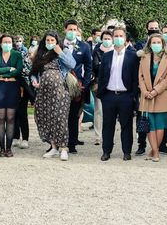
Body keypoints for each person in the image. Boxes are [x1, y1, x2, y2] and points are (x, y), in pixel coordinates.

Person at [31, 31, 76, 161]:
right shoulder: (40, 54)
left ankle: (63, 147)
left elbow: (72, 64)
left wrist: (60, 53)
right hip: (43, 92)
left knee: (60, 117)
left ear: (57, 41)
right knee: (46, 117)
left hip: (60, 91)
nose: (50, 43)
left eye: (52, 40)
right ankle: (53, 147)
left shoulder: (64, 51)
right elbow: (34, 72)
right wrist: (35, 80)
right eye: (48, 40)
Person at [97, 27, 138, 161]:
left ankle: (127, 152)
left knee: (126, 125)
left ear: (125, 38)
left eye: (121, 35)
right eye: (116, 36)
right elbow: (102, 75)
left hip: (126, 96)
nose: (118, 38)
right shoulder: (107, 55)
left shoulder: (132, 56)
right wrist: (102, 94)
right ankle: (106, 151)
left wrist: (133, 95)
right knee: (108, 125)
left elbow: (135, 78)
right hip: (109, 95)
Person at [138, 33, 167, 162]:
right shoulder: (144, 57)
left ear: (163, 44)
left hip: (162, 95)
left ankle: (154, 150)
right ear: (149, 44)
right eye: (153, 42)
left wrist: (155, 91)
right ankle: (155, 151)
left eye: (158, 42)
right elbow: (141, 77)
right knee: (150, 126)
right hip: (147, 95)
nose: (156, 45)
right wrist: (145, 91)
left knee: (160, 125)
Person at [0, 34, 22, 157]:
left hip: (12, 89)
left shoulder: (17, 55)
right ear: (1, 43)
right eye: (5, 42)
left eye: (9, 42)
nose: (7, 44)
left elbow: (18, 70)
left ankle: (8, 148)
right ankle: (2, 149)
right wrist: (9, 70)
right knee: (0, 118)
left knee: (10, 118)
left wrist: (2, 75)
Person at [64, 19, 92, 154]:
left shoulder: (84, 46)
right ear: (65, 30)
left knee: (73, 115)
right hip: (61, 85)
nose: (72, 32)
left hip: (77, 85)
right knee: (60, 114)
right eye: (70, 29)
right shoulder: (58, 44)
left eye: (74, 29)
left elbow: (88, 66)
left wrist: (85, 84)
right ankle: (57, 142)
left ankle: (72, 143)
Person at [91, 30, 114, 146]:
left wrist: (103, 65)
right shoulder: (97, 50)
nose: (106, 40)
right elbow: (95, 66)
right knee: (98, 110)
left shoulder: (116, 50)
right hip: (99, 84)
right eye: (104, 38)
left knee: (110, 111)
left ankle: (108, 135)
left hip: (113, 84)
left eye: (109, 38)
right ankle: (98, 136)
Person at [14, 37, 34, 149]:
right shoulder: (11, 53)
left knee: (22, 113)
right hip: (11, 85)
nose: (18, 43)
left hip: (23, 87)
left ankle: (25, 138)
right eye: (16, 41)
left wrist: (16, 71)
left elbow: (28, 69)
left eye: (20, 41)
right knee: (13, 113)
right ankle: (15, 137)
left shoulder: (25, 54)